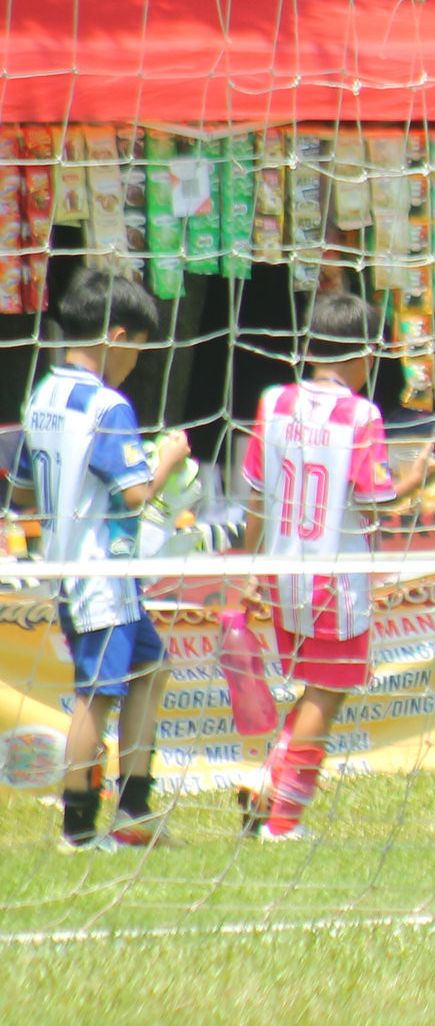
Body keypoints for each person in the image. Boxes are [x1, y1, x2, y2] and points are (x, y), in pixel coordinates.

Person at [236, 292, 435, 842]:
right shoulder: (361, 414)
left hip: (283, 573)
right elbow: (373, 498)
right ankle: (283, 821)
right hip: (333, 581)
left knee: (313, 686)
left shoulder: (274, 401)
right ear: (367, 354)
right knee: (327, 692)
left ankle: (267, 783)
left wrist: (249, 568)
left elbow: (255, 494)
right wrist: (414, 481)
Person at [6, 268, 193, 851]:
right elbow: (136, 494)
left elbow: (22, 491)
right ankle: (79, 827)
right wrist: (169, 456)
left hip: (76, 568)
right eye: (138, 347)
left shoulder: (43, 396)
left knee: (150, 670)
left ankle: (135, 811)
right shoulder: (107, 405)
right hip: (100, 576)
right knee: (97, 693)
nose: (137, 361)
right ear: (116, 335)